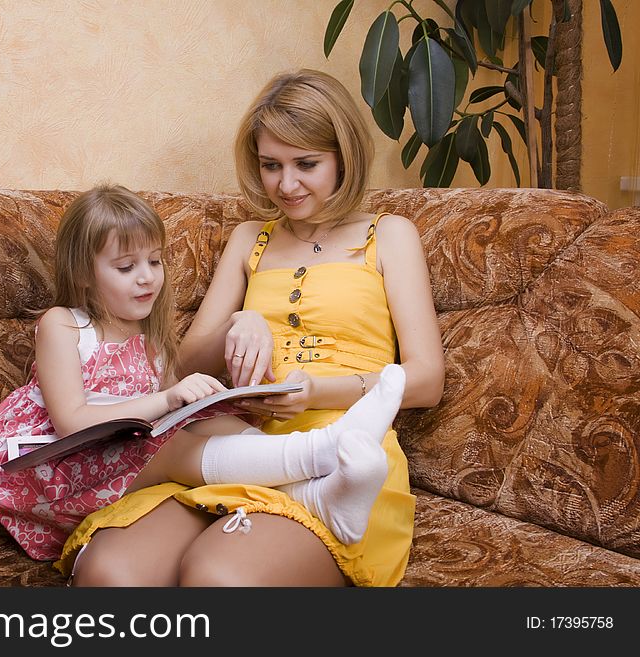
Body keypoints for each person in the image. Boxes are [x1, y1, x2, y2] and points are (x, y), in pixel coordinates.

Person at [60, 69, 444, 587]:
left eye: (307, 164)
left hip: (344, 449)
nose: (286, 185)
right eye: (271, 165)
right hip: (230, 442)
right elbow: (181, 367)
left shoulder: (389, 236)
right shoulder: (250, 240)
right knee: (111, 574)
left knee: (219, 578)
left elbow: (424, 380)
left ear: (344, 157)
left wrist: (314, 393)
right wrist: (245, 320)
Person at [0, 182, 408, 563]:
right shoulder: (63, 325)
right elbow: (71, 421)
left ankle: (322, 496)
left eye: (155, 261)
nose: (147, 278)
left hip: (114, 460)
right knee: (170, 448)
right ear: (84, 274)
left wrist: (205, 398)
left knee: (208, 418)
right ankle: (322, 450)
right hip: (46, 472)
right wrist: (168, 398)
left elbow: (171, 411)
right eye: (126, 267)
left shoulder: (147, 337)